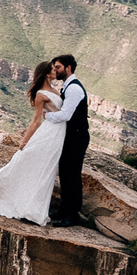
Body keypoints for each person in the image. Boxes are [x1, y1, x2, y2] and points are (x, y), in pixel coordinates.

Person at [0, 60, 67, 224]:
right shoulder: (41, 95)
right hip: (49, 134)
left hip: (58, 132)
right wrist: (24, 141)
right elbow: (36, 121)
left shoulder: (55, 90)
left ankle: (34, 207)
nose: (55, 71)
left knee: (47, 170)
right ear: (46, 73)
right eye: (52, 69)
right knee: (41, 168)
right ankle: (30, 208)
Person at [45, 54, 90, 226]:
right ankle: (65, 210)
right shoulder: (68, 86)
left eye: (58, 67)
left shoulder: (74, 89)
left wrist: (46, 116)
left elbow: (66, 115)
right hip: (71, 136)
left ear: (68, 68)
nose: (55, 70)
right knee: (65, 172)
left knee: (72, 174)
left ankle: (72, 214)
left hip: (77, 137)